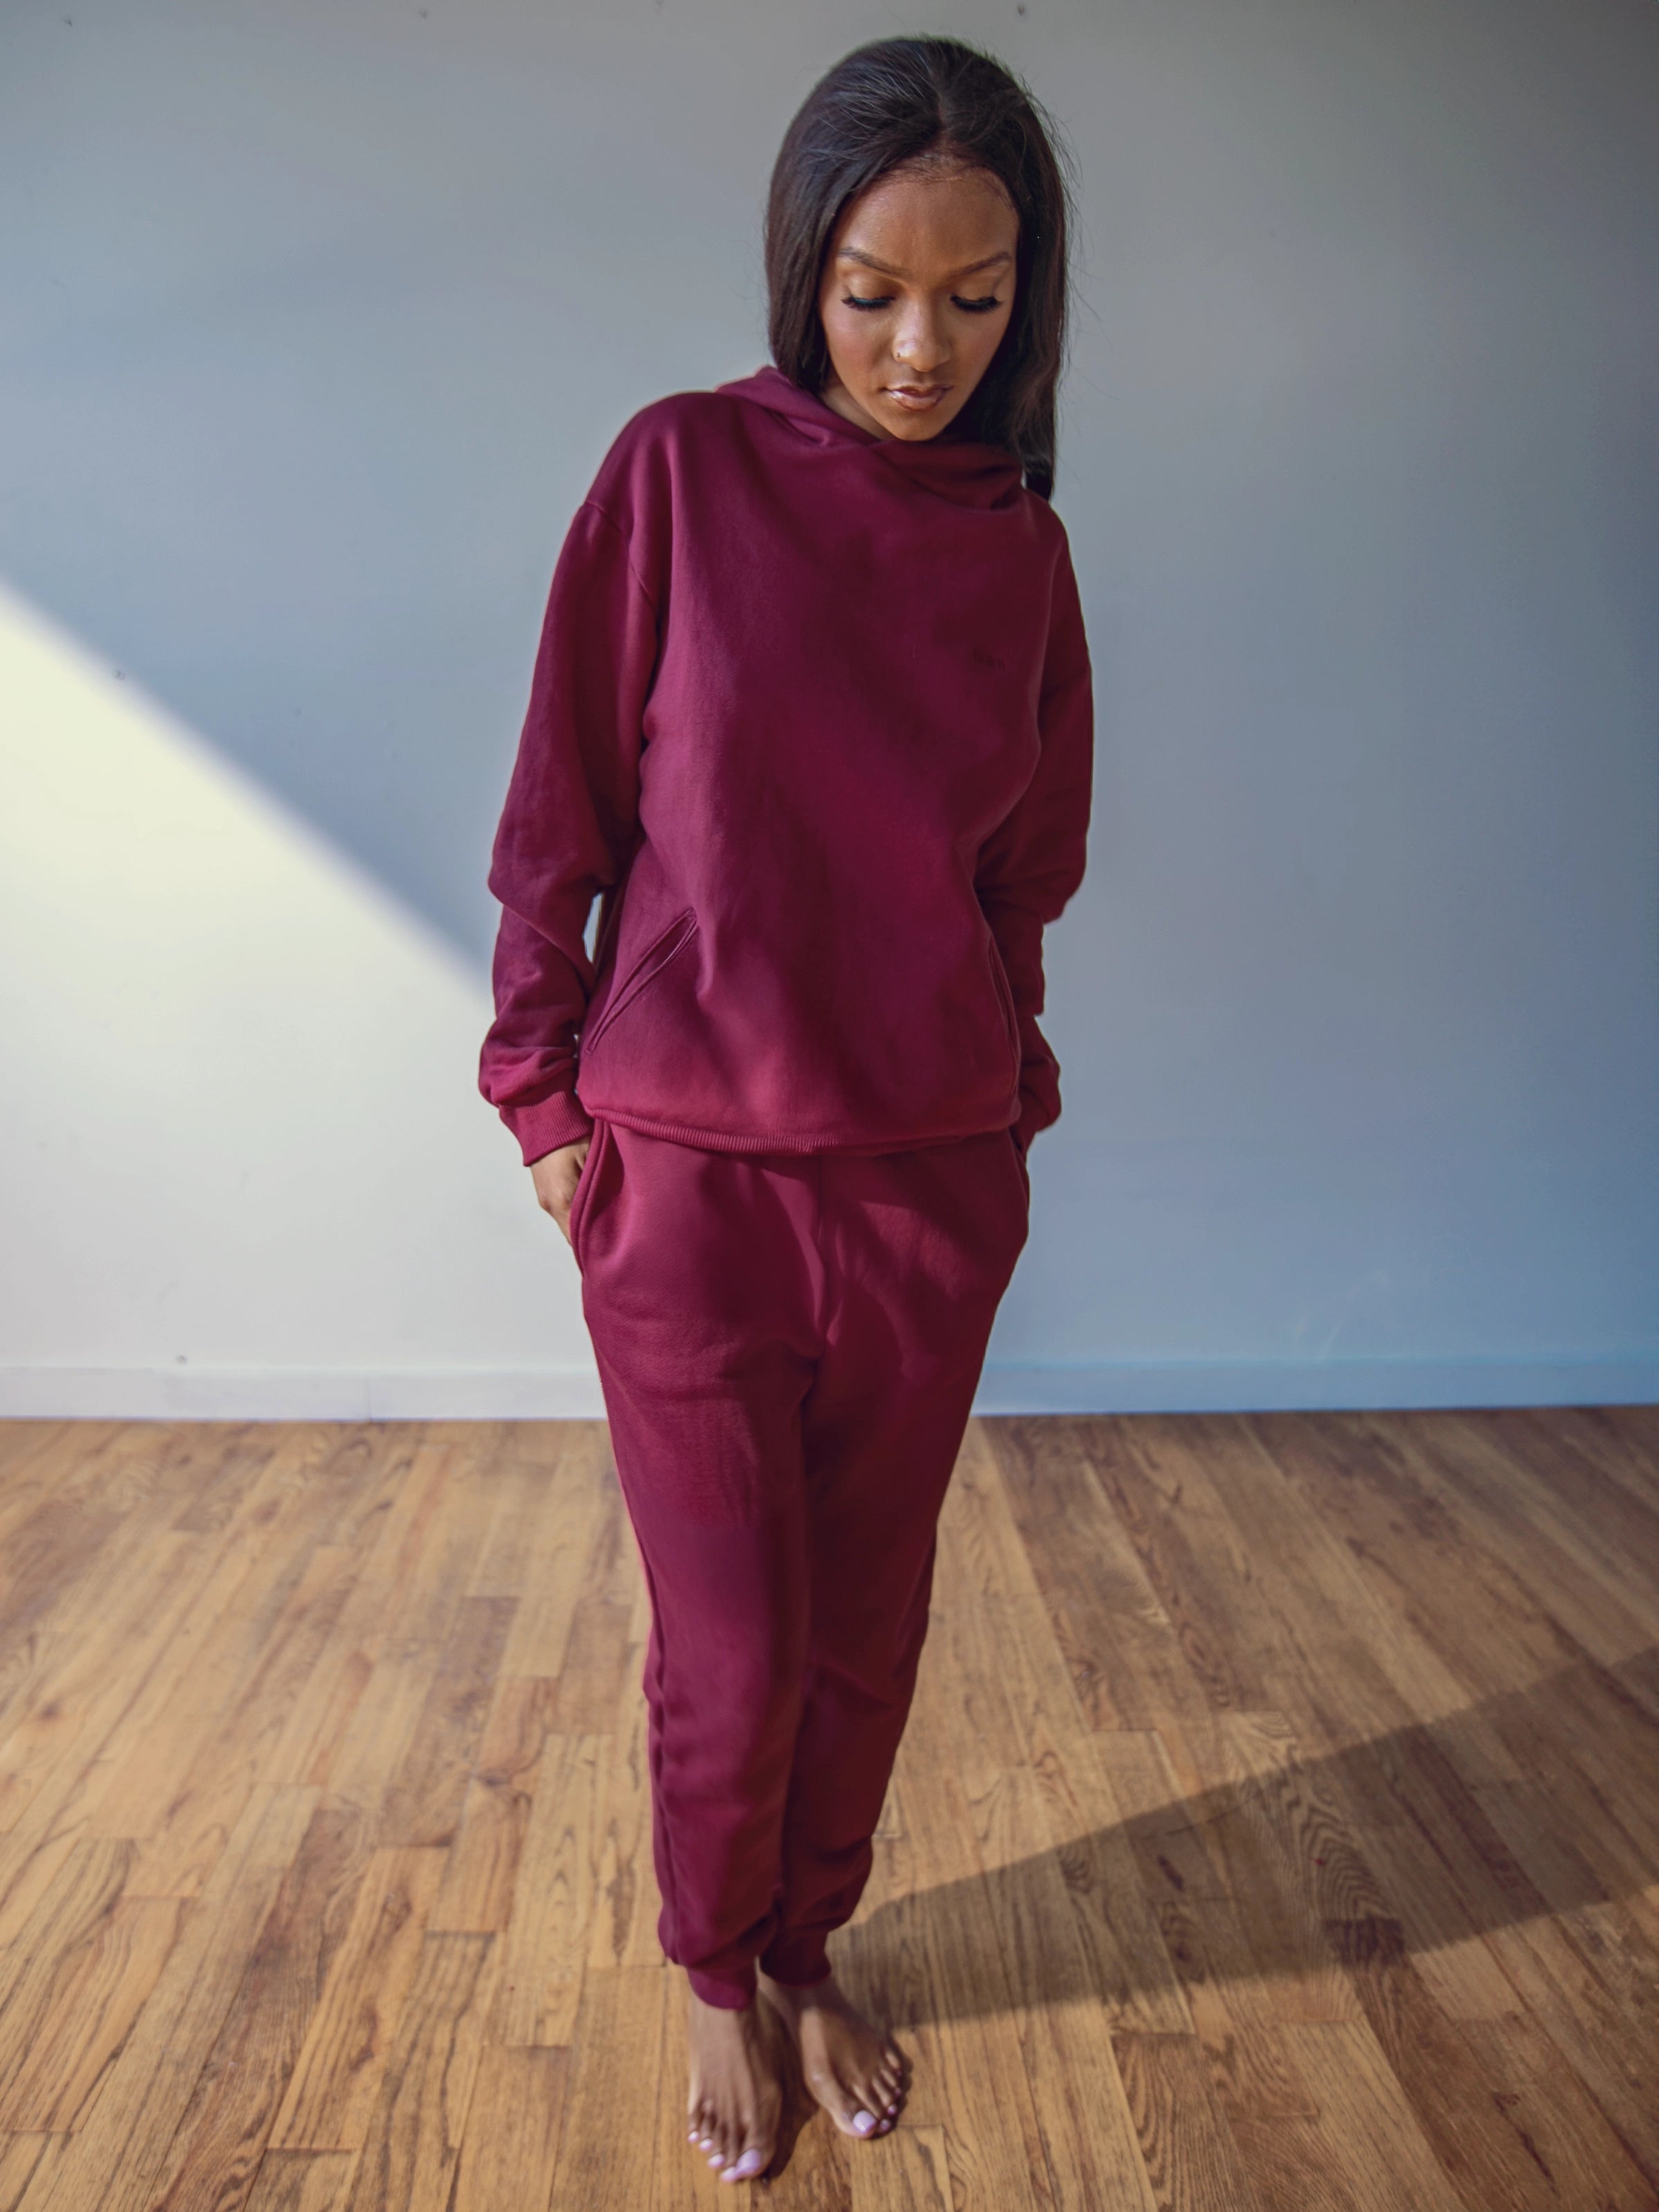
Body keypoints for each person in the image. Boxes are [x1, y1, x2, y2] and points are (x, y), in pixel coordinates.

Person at [478, 32, 1093, 2187]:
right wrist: (539, 1094)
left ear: (1027, 299)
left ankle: (814, 1940)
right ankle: (710, 1970)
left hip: (927, 1180)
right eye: (868, 288)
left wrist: (1000, 1099)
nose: (917, 345)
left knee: (870, 1624)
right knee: (732, 1649)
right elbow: (555, 810)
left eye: (973, 294)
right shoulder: (678, 476)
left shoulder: (1019, 550)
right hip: (690, 1183)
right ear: (800, 272)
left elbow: (1026, 873)